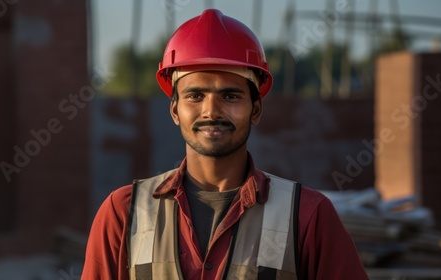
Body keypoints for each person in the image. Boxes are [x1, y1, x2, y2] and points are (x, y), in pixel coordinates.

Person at [81, 9, 369, 280]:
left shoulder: (308, 215)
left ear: (256, 110)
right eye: (195, 96)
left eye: (230, 96)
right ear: (174, 111)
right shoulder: (123, 214)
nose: (211, 111)